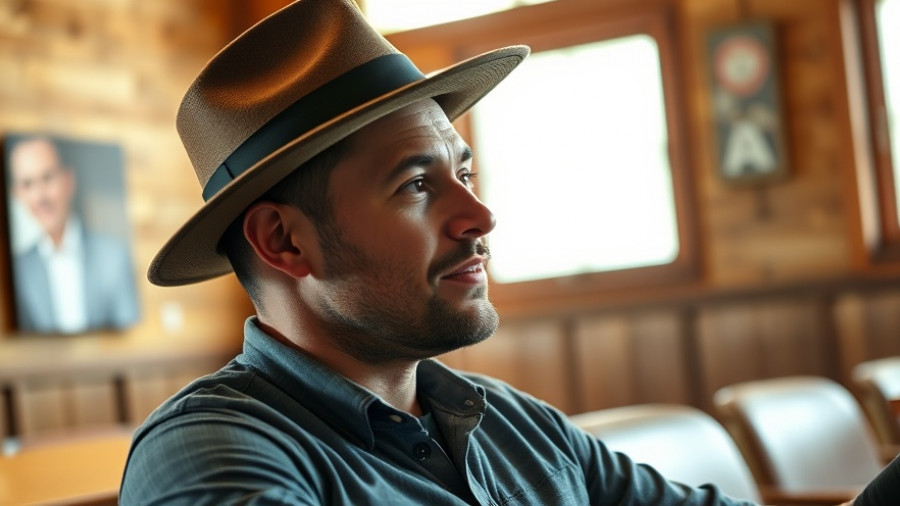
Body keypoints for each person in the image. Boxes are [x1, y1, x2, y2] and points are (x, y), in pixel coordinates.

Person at [119, 0, 892, 504]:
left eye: (464, 173)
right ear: (284, 240)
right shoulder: (212, 454)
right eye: (416, 186)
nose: (480, 215)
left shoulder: (513, 424)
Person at [7, 136, 140, 334]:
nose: (40, 196)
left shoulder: (114, 256)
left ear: (68, 181)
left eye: (47, 178)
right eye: (28, 184)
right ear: (17, 194)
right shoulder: (20, 270)